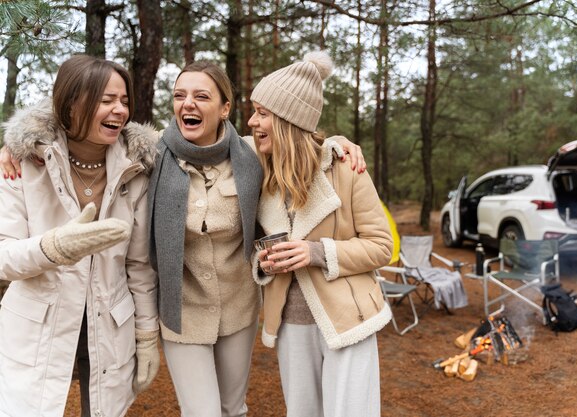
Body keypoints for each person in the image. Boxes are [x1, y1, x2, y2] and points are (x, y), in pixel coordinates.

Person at [146, 60, 366, 417]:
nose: (188, 104)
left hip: (238, 306)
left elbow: (300, 141)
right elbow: (95, 145)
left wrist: (340, 143)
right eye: (179, 95)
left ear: (224, 108)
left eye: (202, 96)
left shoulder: (251, 155)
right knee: (202, 412)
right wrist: (23, 142)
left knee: (233, 409)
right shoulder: (152, 152)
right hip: (181, 308)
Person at [0, 55, 160, 417]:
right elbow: (3, 255)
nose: (119, 110)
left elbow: (139, 265)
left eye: (123, 101)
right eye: (106, 100)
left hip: (109, 327)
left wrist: (147, 335)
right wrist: (52, 248)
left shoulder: (137, 170)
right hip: (37, 325)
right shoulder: (22, 161)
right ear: (72, 103)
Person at [248, 51, 393, 417]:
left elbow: (381, 247)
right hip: (290, 325)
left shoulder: (345, 168)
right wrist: (262, 263)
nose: (251, 121)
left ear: (288, 119)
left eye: (262, 113)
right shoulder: (258, 173)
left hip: (348, 321)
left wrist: (318, 252)